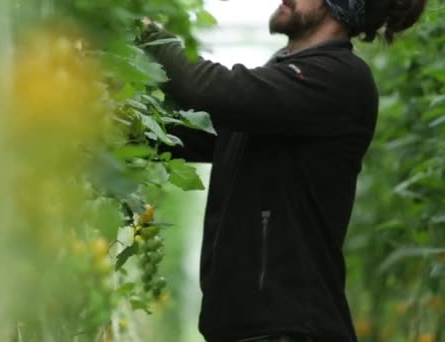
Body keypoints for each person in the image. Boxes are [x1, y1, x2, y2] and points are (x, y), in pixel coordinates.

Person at [139, 0, 428, 341]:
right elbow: (184, 133)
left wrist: (145, 31)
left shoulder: (341, 78)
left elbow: (210, 90)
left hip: (291, 330)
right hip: (253, 330)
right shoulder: (283, 86)